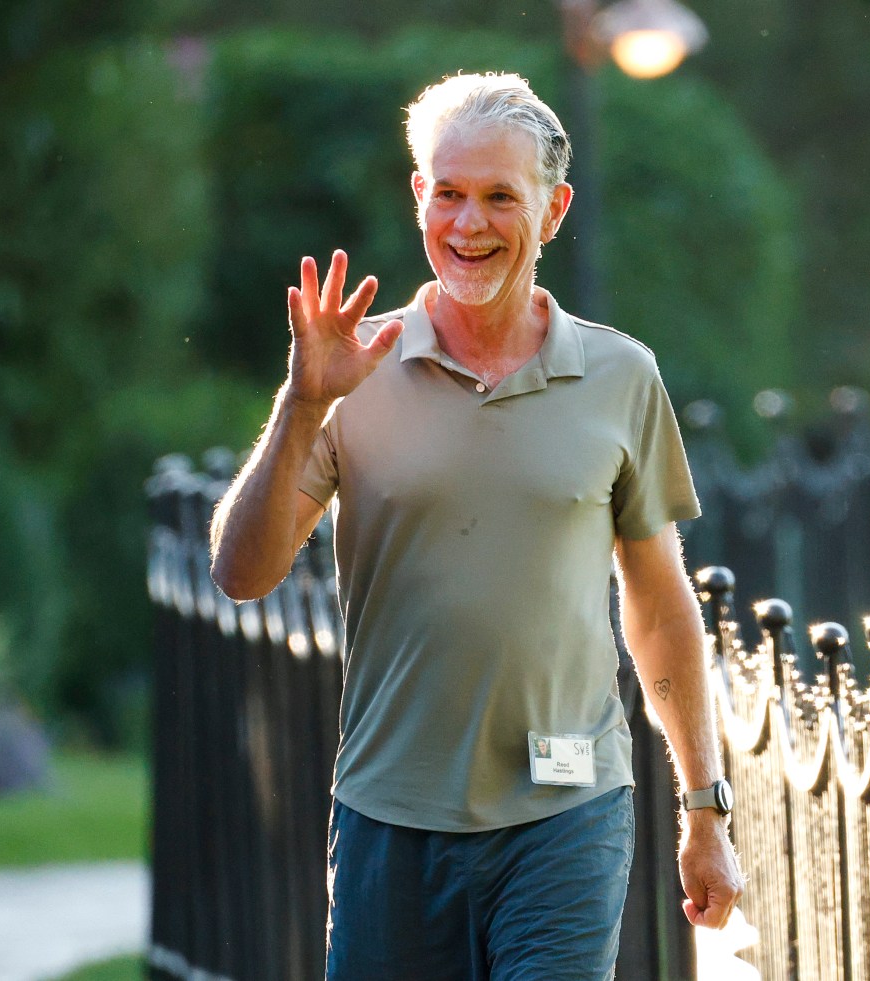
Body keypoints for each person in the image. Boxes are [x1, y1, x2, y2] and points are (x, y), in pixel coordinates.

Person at [209, 71, 743, 981]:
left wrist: (704, 809)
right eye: (449, 193)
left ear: (555, 208)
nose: (470, 224)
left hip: (569, 811)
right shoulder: (352, 371)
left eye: (502, 197)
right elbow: (241, 572)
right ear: (419, 195)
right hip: (390, 816)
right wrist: (302, 402)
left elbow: (658, 604)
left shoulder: (621, 377)